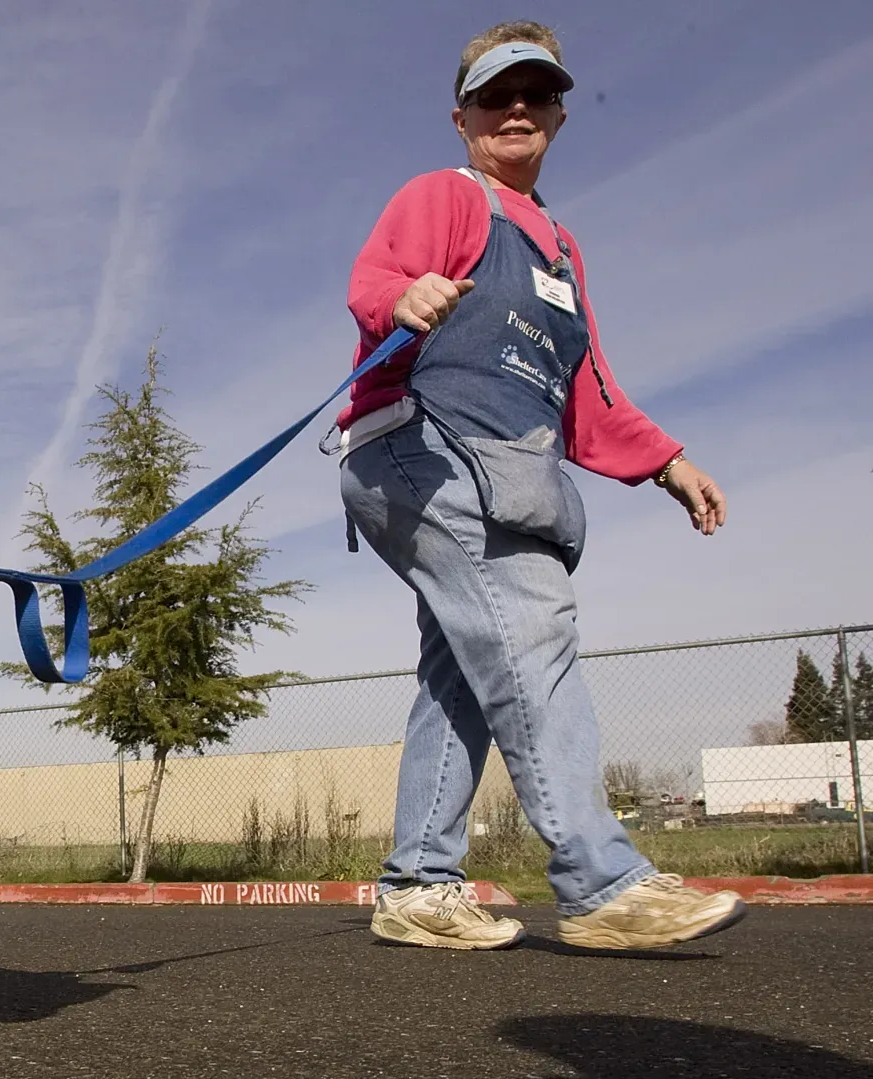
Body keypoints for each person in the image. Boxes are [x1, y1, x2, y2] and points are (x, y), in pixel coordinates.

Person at [334, 21, 745, 950]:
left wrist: (668, 461)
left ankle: (419, 886)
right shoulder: (448, 195)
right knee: (532, 622)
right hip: (420, 451)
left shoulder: (559, 247)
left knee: (467, 671)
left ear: (558, 111)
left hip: (510, 466)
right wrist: (402, 298)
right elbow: (376, 273)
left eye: (535, 93)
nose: (515, 109)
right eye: (494, 96)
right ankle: (602, 881)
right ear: (463, 117)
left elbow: (589, 392)